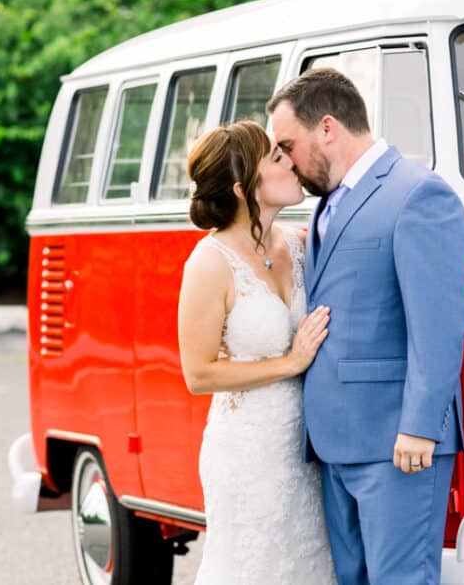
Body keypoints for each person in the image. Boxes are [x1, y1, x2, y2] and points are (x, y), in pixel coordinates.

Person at [268, 68, 464, 585]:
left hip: (397, 441)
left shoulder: (418, 193)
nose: (285, 159)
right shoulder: (323, 206)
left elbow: (440, 322)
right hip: (334, 443)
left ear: (328, 128)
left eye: (288, 144)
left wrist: (421, 426)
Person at [177, 120, 337, 585]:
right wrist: (290, 363)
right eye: (276, 157)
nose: (291, 162)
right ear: (243, 188)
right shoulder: (209, 263)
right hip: (246, 451)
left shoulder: (298, 242)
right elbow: (198, 373)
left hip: (305, 450)